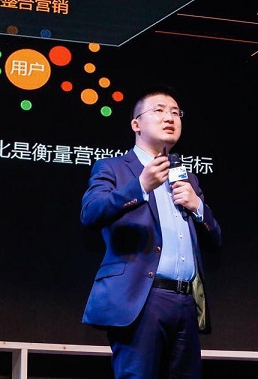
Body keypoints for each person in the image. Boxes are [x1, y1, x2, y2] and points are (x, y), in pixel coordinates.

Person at [80, 85, 222, 378]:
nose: (169, 117)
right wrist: (141, 186)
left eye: (175, 113)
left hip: (185, 301)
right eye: (159, 110)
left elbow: (215, 239)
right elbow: (91, 212)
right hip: (143, 298)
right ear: (136, 124)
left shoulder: (186, 178)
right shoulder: (114, 168)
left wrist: (197, 207)